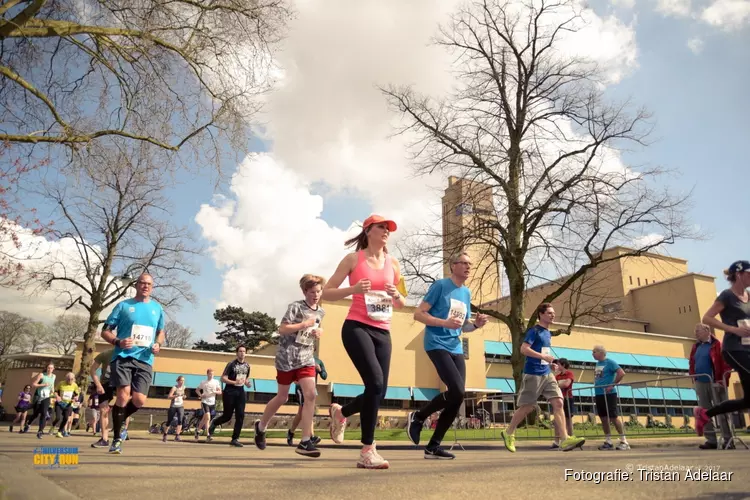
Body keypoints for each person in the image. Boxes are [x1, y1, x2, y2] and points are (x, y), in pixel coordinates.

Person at [322, 214, 406, 470]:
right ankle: (368, 451)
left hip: (383, 330)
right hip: (356, 327)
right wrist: (354, 289)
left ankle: (341, 413)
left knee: (378, 391)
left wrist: (396, 295)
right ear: (369, 230)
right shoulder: (352, 259)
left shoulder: (393, 263)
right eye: (382, 227)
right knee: (376, 383)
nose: (386, 232)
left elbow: (403, 301)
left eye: (388, 229)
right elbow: (326, 292)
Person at [407, 250, 488, 459]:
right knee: (457, 389)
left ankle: (432, 446)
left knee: (457, 396)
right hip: (436, 343)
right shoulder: (441, 286)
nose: (468, 267)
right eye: (463, 263)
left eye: (470, 264)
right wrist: (443, 323)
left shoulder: (466, 293)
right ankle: (419, 416)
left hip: (455, 346)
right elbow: (418, 314)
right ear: (453, 266)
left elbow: (462, 327)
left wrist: (476, 325)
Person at [255, 274, 327, 457]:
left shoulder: (321, 312)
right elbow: (282, 329)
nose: (316, 295)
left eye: (319, 291)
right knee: (282, 397)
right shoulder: (295, 307)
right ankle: (261, 426)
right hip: (287, 357)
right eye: (312, 292)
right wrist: (303, 324)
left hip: (306, 357)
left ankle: (305, 441)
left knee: (310, 395)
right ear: (304, 291)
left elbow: (312, 331)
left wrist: (318, 332)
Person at [500, 304, 585, 453]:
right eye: (550, 313)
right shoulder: (535, 331)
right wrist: (543, 356)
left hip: (547, 373)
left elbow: (543, 353)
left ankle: (564, 439)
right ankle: (508, 433)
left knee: (558, 402)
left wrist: (549, 363)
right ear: (541, 314)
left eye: (554, 313)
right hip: (533, 374)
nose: (553, 315)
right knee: (527, 407)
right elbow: (524, 349)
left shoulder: (548, 333)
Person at [100, 272, 165, 454]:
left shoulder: (157, 309)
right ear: (136, 285)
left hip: (145, 359)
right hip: (123, 356)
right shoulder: (123, 306)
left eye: (149, 284)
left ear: (152, 288)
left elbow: (161, 332)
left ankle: (119, 420)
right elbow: (105, 331)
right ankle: (116, 440)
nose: (145, 286)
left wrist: (158, 344)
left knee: (139, 399)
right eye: (142, 283)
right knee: (123, 395)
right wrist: (117, 342)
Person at [694, 260, 750, 441]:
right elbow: (707, 317)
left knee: (748, 401)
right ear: (739, 275)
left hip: (748, 348)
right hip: (734, 348)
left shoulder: (748, 296)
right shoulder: (727, 295)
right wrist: (733, 329)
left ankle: (705, 414)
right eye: (749, 273)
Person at [690, 323, 733, 449]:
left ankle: (728, 440)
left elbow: (726, 363)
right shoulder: (696, 346)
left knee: (722, 411)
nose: (696, 333)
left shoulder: (717, 345)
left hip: (715, 382)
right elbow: (692, 361)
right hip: (701, 382)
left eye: (698, 331)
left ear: (706, 331)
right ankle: (711, 440)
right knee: (704, 412)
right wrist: (693, 375)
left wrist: (722, 380)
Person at [210, 345, 252, 447]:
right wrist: (234, 382)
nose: (242, 353)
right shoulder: (231, 364)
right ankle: (215, 423)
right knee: (227, 416)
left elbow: (245, 378)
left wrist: (247, 383)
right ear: (237, 353)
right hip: (230, 391)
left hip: (240, 391)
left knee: (240, 415)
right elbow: (223, 378)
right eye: (240, 351)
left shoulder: (247, 366)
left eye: (244, 351)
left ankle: (235, 439)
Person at [592, 345, 629, 450]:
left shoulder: (610, 362)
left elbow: (621, 373)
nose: (592, 354)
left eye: (594, 352)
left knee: (613, 417)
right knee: (603, 417)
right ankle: (608, 441)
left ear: (601, 352)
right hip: (599, 393)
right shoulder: (598, 364)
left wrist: (612, 385)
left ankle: (624, 441)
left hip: (609, 394)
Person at [288, 356, 327, 447]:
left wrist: (320, 370)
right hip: (301, 389)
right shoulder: (301, 359)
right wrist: (295, 380)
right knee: (306, 412)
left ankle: (291, 432)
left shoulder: (318, 361)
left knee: (303, 413)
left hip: (312, 389)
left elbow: (324, 376)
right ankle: (311, 436)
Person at [89, 348, 117, 448]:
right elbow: (92, 370)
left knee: (122, 407)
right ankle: (104, 439)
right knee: (103, 410)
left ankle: (122, 432)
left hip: (122, 383)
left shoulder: (130, 354)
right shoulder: (105, 354)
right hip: (106, 383)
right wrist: (98, 385)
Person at [26, 362, 56, 438]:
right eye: (48, 368)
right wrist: (43, 384)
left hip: (47, 397)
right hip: (38, 396)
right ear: (46, 368)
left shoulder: (53, 376)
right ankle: (28, 424)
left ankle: (40, 431)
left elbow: (52, 386)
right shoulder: (42, 375)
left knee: (44, 413)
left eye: (51, 368)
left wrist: (54, 395)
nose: (50, 369)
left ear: (53, 369)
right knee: (36, 413)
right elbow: (33, 384)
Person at [552, 358, 575, 448]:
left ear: (563, 365)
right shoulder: (557, 376)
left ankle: (570, 438)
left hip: (567, 398)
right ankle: (557, 441)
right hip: (559, 398)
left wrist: (557, 385)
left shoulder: (569, 374)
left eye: (559, 365)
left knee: (568, 419)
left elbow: (566, 384)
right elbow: (553, 385)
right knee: (557, 420)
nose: (557, 366)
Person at [195, 368, 222, 441]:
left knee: (205, 419)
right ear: (207, 374)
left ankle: (197, 431)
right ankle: (208, 435)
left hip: (212, 403)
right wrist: (201, 395)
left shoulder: (216, 382)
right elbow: (197, 390)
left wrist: (215, 391)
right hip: (205, 402)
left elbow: (220, 392)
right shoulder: (203, 382)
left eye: (213, 374)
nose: (211, 375)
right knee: (208, 417)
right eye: (210, 374)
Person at [53, 372, 80, 438]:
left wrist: (76, 398)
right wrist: (57, 396)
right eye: (68, 379)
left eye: (71, 379)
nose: (70, 381)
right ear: (66, 378)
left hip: (68, 404)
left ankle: (59, 432)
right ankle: (53, 426)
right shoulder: (61, 383)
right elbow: (55, 391)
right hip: (60, 403)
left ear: (74, 379)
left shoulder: (75, 385)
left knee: (66, 418)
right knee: (58, 418)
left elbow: (77, 394)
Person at [163, 376, 187, 442]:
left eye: (183, 380)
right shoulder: (174, 388)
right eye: (181, 380)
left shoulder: (184, 387)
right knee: (169, 420)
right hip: (173, 406)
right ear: (178, 381)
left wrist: (184, 396)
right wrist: (175, 396)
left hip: (180, 406)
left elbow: (183, 395)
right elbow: (169, 396)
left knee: (180, 420)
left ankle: (177, 435)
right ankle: (165, 434)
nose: (182, 382)